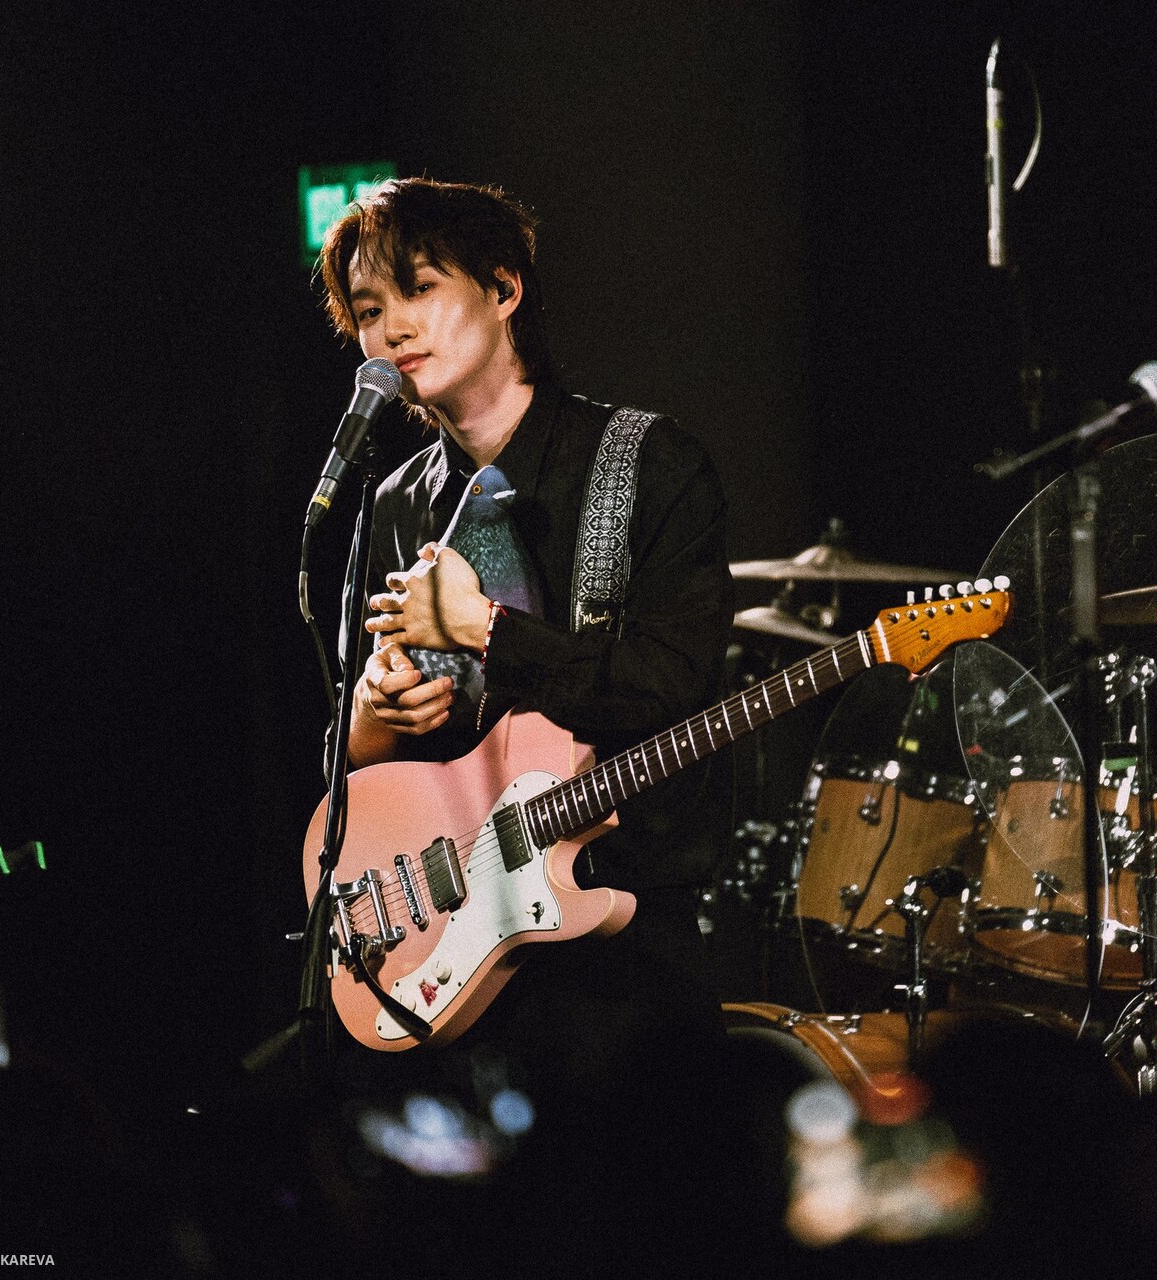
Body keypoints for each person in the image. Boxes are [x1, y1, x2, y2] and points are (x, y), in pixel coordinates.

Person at [313, 177, 742, 1264]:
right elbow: (364, 765)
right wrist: (378, 712)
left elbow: (667, 686)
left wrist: (487, 632)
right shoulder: (391, 504)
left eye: (419, 289)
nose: (391, 329)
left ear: (504, 288)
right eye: (368, 310)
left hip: (625, 948)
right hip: (457, 956)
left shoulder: (648, 465)